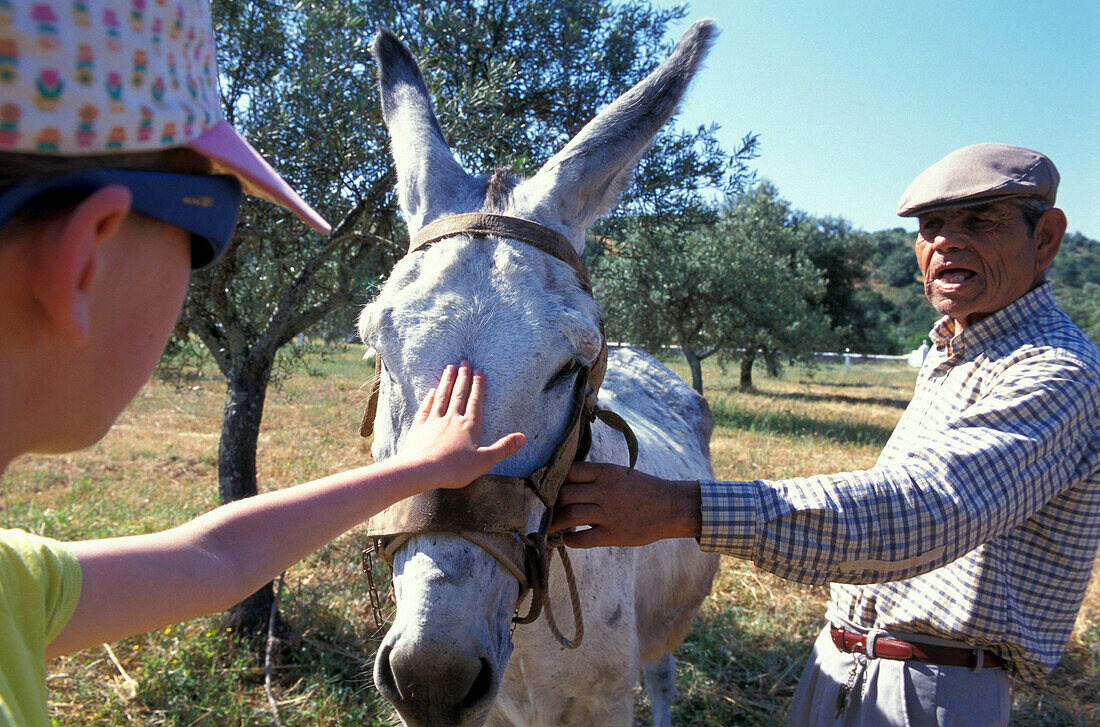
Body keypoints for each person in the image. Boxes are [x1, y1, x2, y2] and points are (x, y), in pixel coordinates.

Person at [0, 4, 525, 726]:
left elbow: (215, 559)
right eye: (212, 220)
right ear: (84, 257)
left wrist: (416, 470)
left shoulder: (14, 582)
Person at [552, 143, 1100, 725]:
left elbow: (927, 511)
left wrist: (679, 508)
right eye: (931, 225)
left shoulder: (1058, 374)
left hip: (934, 688)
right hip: (848, 661)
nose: (945, 242)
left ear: (1045, 239)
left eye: (980, 222)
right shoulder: (961, 355)